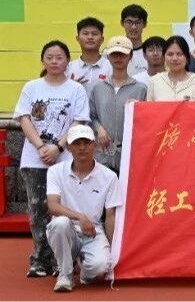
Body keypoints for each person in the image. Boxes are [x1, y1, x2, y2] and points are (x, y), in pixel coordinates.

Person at [16, 40, 90, 278]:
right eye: (50, 57)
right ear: (43, 60)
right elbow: (24, 118)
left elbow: (78, 120)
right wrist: (41, 147)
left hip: (65, 158)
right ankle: (40, 258)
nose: (55, 62)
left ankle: (63, 259)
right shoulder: (32, 87)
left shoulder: (75, 89)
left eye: (59, 57)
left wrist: (58, 147)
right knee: (37, 209)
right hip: (34, 159)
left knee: (64, 209)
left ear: (68, 61)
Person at [44, 124, 122, 292]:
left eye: (86, 143)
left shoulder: (109, 176)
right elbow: (52, 206)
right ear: (68, 147)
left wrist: (112, 250)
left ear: (95, 145)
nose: (82, 148)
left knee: (101, 266)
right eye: (77, 143)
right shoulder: (55, 172)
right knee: (60, 223)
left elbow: (110, 216)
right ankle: (65, 274)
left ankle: (86, 272)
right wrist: (80, 217)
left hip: (93, 231)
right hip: (67, 230)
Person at [88, 37, 147, 172]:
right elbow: (91, 116)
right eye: (114, 54)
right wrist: (99, 129)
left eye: (123, 54)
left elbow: (147, 121)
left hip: (130, 158)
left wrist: (139, 109)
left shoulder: (141, 88)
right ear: (108, 57)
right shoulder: (98, 87)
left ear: (130, 56)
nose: (118, 58)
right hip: (102, 157)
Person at [146, 36, 195, 102]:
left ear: (187, 57)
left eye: (179, 54)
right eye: (170, 54)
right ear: (164, 57)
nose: (175, 58)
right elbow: (149, 108)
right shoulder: (154, 81)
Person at [66, 17, 110, 89]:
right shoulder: (68, 68)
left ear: (102, 39)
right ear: (77, 38)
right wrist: (69, 87)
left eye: (94, 34)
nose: (90, 37)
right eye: (85, 33)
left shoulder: (111, 67)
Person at [120, 4, 149, 75]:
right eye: (129, 22)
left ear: (145, 24)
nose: (133, 27)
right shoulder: (111, 52)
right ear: (122, 23)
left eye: (138, 22)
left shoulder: (150, 54)